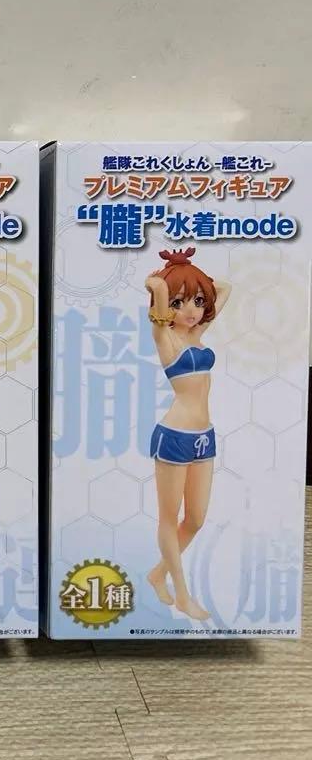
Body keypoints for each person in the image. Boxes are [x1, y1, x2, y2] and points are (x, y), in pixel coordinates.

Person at [144, 247, 231, 621]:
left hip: (204, 436)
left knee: (195, 519)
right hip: (174, 436)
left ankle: (157, 574)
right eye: (180, 303)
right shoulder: (166, 338)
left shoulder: (197, 332)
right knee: (169, 517)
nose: (191, 310)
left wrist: (188, 273)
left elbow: (225, 288)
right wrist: (159, 285)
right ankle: (181, 593)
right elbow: (159, 302)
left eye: (197, 301)